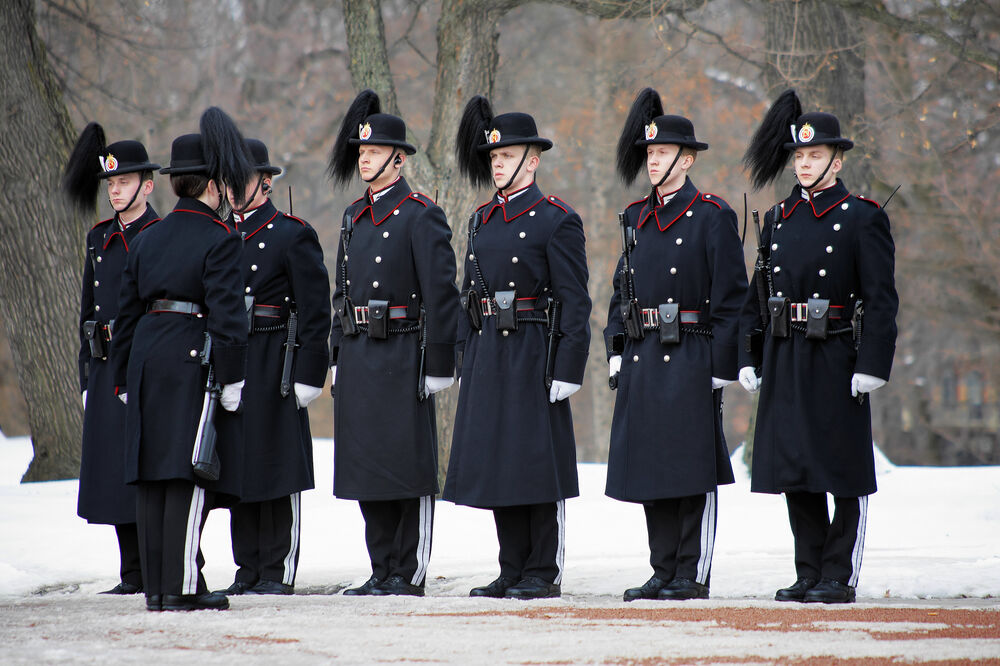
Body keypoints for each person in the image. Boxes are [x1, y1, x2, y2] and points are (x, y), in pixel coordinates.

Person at [738, 90, 898, 604]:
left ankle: (838, 572)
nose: (804, 164)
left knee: (841, 466)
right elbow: (758, 294)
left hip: (837, 352)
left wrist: (873, 362)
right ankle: (808, 569)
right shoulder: (780, 217)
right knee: (796, 467)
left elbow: (881, 298)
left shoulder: (862, 216)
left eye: (814, 155)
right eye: (798, 156)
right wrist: (749, 352)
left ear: (837, 158)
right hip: (787, 353)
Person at [444, 96, 591, 600]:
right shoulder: (481, 219)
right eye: (493, 157)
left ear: (533, 159)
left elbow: (575, 299)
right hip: (490, 350)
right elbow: (468, 294)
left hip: (534, 348)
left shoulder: (556, 219)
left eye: (506, 156)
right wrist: (465, 354)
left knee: (534, 463)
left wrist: (568, 365)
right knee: (498, 462)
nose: (497, 163)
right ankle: (510, 568)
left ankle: (540, 570)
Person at [603, 89, 747, 601]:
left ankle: (691, 571)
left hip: (691, 349)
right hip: (644, 351)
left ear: (687, 159)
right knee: (650, 467)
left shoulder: (712, 214)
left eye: (663, 153)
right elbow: (622, 288)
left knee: (690, 468)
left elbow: (733, 298)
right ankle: (662, 569)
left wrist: (721, 364)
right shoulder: (635, 217)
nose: (654, 161)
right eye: (649, 154)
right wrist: (615, 345)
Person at [110, 107, 255, 612]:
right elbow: (228, 315)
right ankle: (185, 585)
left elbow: (125, 313)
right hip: (193, 358)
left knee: (152, 474)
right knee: (191, 470)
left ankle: (157, 588)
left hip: (147, 358)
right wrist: (233, 378)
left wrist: (122, 375)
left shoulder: (147, 238)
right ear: (212, 184)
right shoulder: (219, 238)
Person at [328, 90, 459, 597]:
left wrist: (439, 361)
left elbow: (442, 294)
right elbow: (342, 293)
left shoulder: (420, 213)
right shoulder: (352, 217)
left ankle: (408, 570)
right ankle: (381, 568)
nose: (363, 157)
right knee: (368, 469)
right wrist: (338, 354)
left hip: (405, 351)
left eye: (374, 150)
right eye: (360, 150)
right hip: (361, 352)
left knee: (407, 467)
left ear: (397, 159)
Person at [216, 139, 330, 597]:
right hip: (235, 358)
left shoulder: (291, 233)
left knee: (276, 465)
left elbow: (316, 309)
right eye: (226, 179)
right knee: (238, 466)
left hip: (275, 358)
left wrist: (309, 372)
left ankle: (276, 569)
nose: (230, 188)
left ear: (264, 181)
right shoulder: (219, 234)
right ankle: (246, 568)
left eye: (239, 178)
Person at [63, 125, 161, 596]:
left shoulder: (160, 233)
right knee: (113, 470)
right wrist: (86, 367)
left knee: (143, 465)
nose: (116, 190)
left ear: (148, 184)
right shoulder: (98, 237)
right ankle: (131, 572)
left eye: (124, 182)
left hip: (144, 364)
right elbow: (86, 308)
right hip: (105, 365)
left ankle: (154, 566)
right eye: (110, 184)